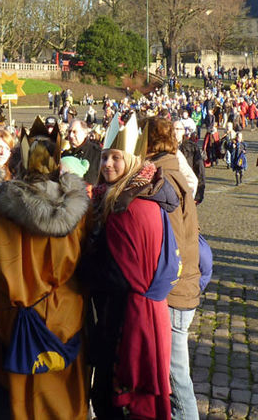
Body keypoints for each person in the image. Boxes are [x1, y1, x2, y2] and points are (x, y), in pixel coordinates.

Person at [0, 120, 91, 419]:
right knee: (63, 395)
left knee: (18, 398)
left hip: (14, 319)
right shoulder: (79, 214)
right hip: (65, 314)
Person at [81, 112, 181, 419]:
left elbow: (120, 276)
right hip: (142, 313)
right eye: (104, 157)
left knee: (115, 401)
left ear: (132, 162)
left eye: (116, 158)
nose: (107, 165)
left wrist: (80, 268)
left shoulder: (128, 209)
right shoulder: (142, 195)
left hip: (127, 320)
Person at [144, 116, 201, 420]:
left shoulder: (162, 177)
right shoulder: (171, 168)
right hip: (184, 283)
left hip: (177, 289)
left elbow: (169, 244)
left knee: (176, 375)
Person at [63, 119, 103, 187]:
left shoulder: (97, 154)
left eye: (74, 132)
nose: (71, 135)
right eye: (69, 132)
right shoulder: (65, 155)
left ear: (85, 133)